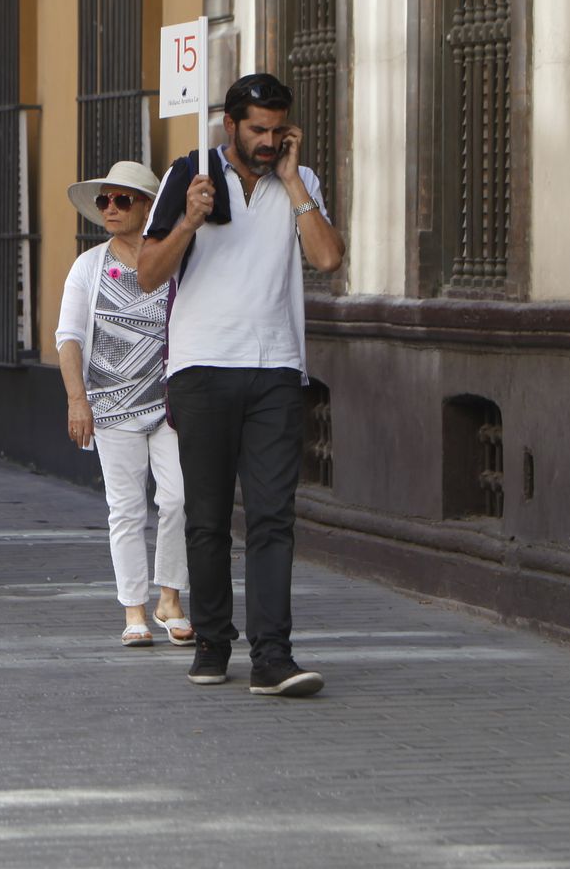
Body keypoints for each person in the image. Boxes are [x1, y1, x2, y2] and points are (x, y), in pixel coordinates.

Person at [137, 72, 345, 697]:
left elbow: (329, 258)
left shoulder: (299, 181)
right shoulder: (187, 174)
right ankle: (212, 640)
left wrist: (291, 182)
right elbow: (147, 274)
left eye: (279, 129)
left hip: (278, 369)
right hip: (201, 369)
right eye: (258, 129)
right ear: (230, 124)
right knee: (205, 518)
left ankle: (273, 657)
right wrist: (189, 222)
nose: (269, 139)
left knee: (273, 517)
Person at [56, 161, 191, 647]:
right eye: (104, 201)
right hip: (110, 406)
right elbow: (68, 337)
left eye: (122, 200)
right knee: (126, 509)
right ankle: (134, 609)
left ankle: (170, 598)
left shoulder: (176, 260)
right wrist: (78, 400)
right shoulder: (90, 266)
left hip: (173, 403)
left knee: (178, 499)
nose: (109, 208)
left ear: (149, 207)